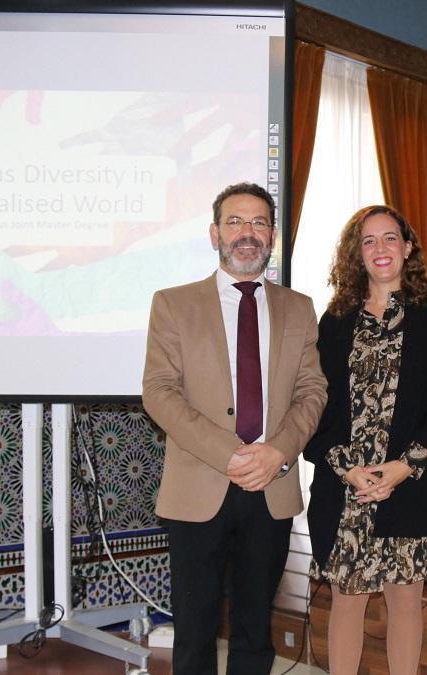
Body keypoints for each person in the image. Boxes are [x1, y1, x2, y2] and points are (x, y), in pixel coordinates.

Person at [142, 182, 327, 675]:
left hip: (272, 485)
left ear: (272, 236)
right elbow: (159, 392)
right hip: (197, 487)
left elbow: (313, 392)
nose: (248, 233)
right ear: (214, 233)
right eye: (235, 222)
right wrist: (229, 453)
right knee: (195, 630)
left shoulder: (299, 307)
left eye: (259, 223)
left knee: (253, 628)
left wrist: (279, 452)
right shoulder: (173, 304)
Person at [303, 205, 427, 675]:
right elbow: (319, 403)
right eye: (368, 241)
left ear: (408, 247)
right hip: (346, 485)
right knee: (347, 600)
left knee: (405, 599)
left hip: (409, 483)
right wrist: (348, 469)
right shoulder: (334, 320)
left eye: (389, 238)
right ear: (357, 253)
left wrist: (401, 468)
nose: (380, 249)